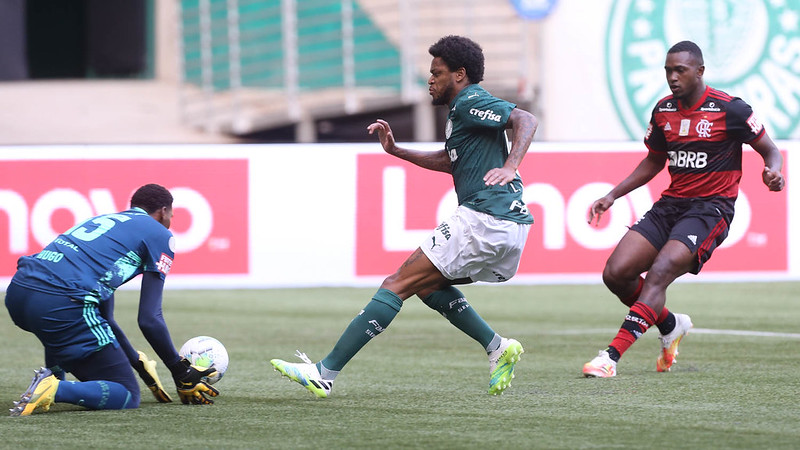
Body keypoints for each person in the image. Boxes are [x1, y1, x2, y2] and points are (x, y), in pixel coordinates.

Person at [270, 35, 539, 397]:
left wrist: (511, 165)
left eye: (437, 72)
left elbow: (525, 118)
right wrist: (397, 151)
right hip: (508, 225)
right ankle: (497, 347)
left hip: (484, 218)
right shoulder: (461, 113)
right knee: (426, 285)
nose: (430, 79)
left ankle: (324, 372)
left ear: (459, 75)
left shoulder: (471, 100)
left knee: (395, 283)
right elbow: (451, 161)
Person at [582, 41, 785, 378]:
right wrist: (613, 195)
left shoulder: (730, 110)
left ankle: (611, 357)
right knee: (615, 273)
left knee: (660, 271)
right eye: (667, 71)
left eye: (680, 70)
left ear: (700, 71)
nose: (672, 77)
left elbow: (770, 150)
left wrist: (774, 171)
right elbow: (653, 162)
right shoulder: (663, 110)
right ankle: (670, 324)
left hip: (710, 210)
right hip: (670, 205)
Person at [7, 183, 219, 416]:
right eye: (172, 215)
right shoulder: (160, 234)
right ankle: (54, 387)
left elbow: (104, 316)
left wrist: (137, 363)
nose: (170, 221)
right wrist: (180, 371)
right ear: (163, 211)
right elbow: (149, 318)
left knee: (62, 326)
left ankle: (53, 378)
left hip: (19, 290)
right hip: (60, 302)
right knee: (126, 393)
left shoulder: (107, 223)